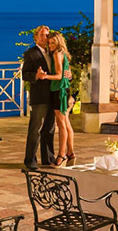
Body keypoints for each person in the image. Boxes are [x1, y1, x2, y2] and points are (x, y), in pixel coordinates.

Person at [22, 25, 57, 170]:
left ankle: (48, 158)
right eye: (42, 35)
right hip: (40, 97)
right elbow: (25, 74)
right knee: (35, 129)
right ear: (36, 37)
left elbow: (59, 71)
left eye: (47, 35)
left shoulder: (53, 52)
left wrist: (68, 75)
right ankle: (30, 160)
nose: (45, 37)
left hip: (52, 95)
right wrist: (36, 75)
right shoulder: (31, 53)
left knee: (49, 129)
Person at [38, 32, 75, 167]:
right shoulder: (62, 53)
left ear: (59, 42)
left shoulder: (56, 54)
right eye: (49, 43)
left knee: (61, 124)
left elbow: (59, 75)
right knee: (65, 122)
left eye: (53, 42)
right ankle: (70, 152)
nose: (50, 45)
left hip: (59, 91)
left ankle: (62, 154)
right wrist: (68, 76)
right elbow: (66, 73)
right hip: (63, 89)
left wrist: (44, 76)